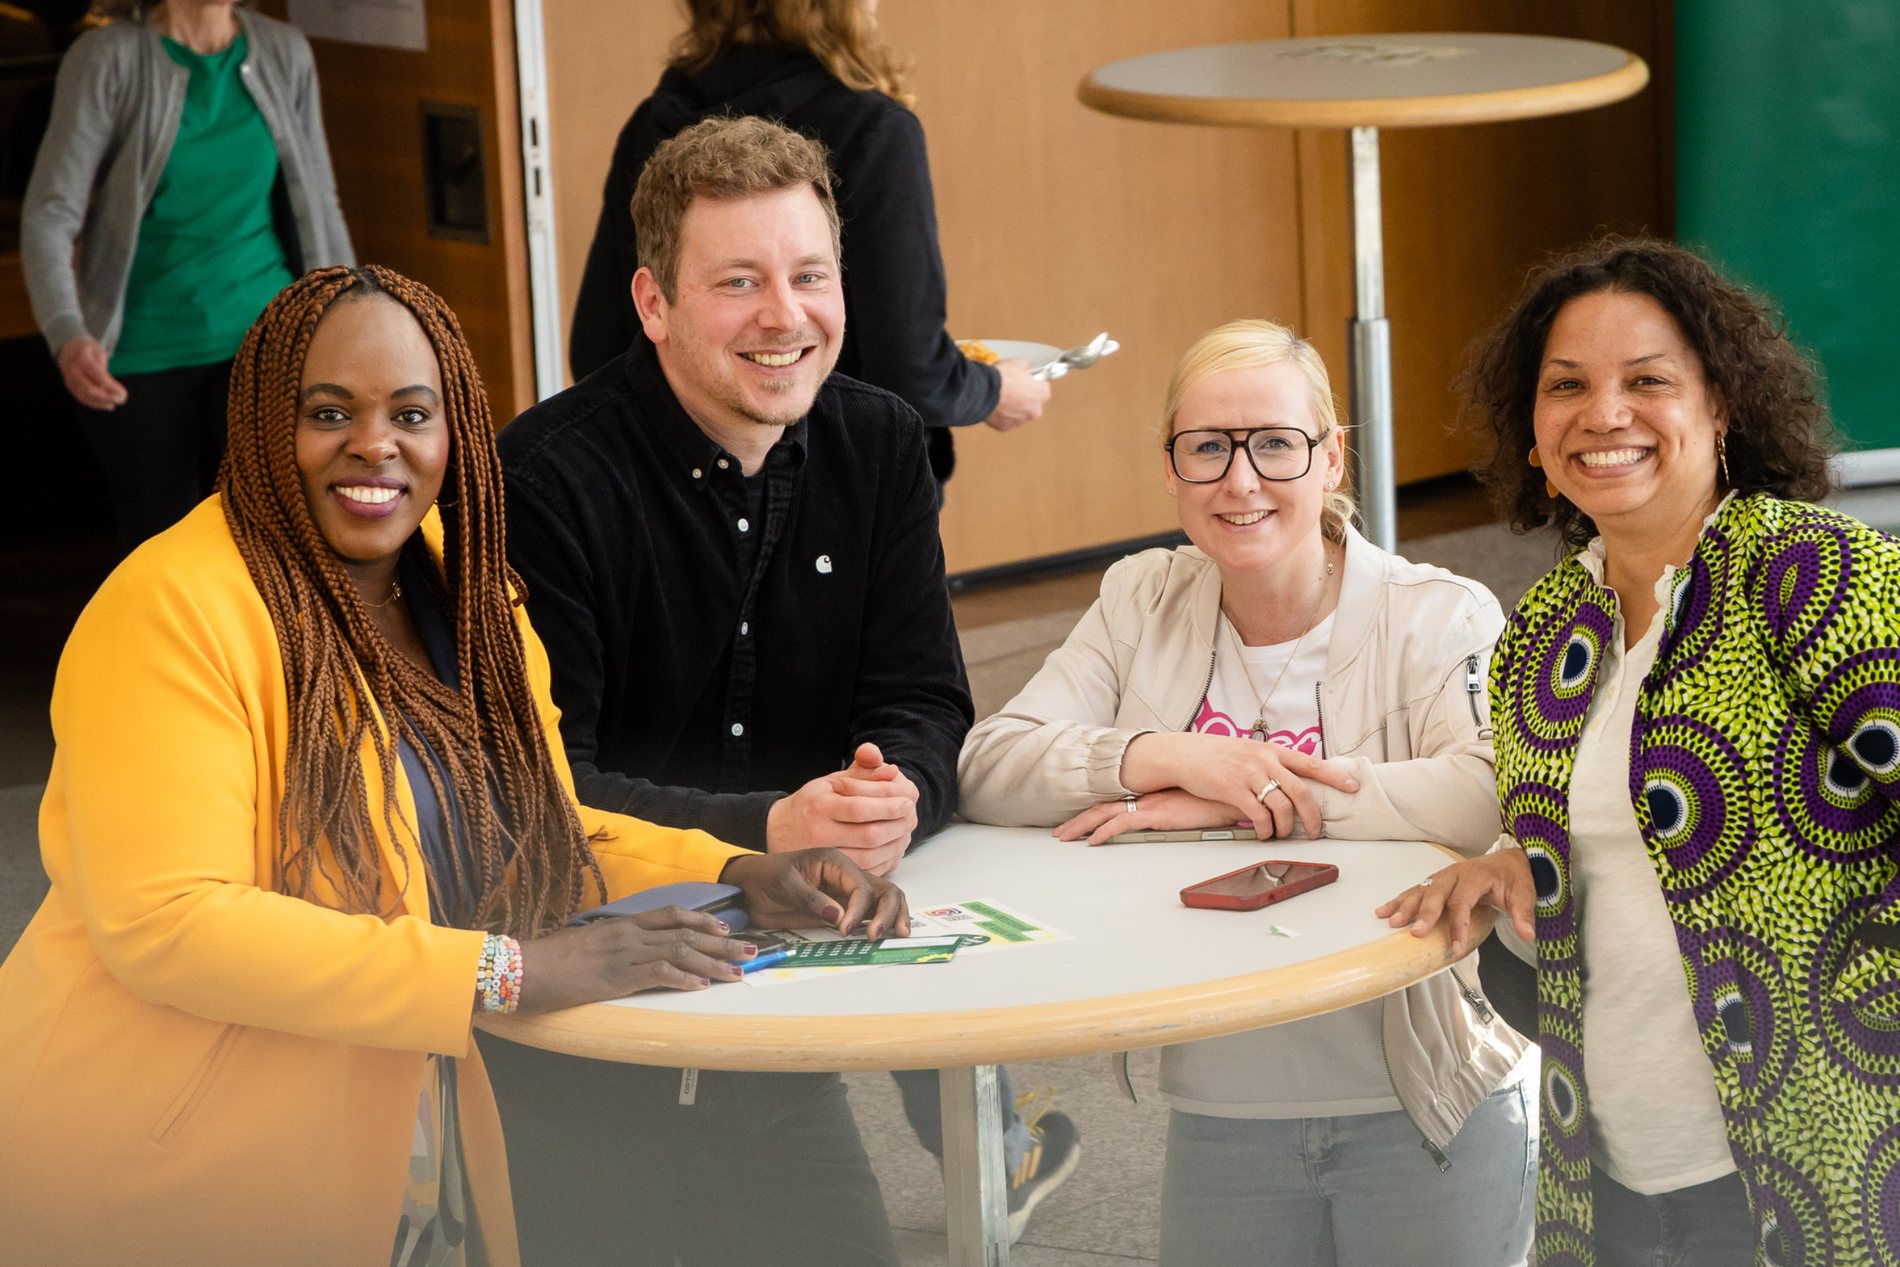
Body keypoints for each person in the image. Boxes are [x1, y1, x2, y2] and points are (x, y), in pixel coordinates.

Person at [0, 264, 905, 1266]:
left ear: (457, 431)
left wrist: (733, 870)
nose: (374, 444)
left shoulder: (467, 594)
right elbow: (168, 923)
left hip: (390, 1161)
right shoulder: (170, 607)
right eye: (327, 411)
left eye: (412, 411)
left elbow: (539, 833)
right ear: (261, 423)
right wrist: (504, 968)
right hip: (158, 1175)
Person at [488, 113, 1076, 1260]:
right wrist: (762, 831)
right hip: (589, 1026)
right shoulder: (542, 481)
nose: (785, 315)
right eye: (739, 282)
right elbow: (536, 789)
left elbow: (922, 694)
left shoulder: (883, 444)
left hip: (786, 1018)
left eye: (810, 276)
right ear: (653, 304)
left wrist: (894, 788)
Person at [958, 318, 1536, 1266]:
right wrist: (1168, 757)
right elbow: (990, 761)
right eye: (1208, 448)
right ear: (1171, 465)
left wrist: (1235, 797)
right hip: (1225, 1104)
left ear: (1331, 454)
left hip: (1429, 1099)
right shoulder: (1141, 598)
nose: (1241, 480)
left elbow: (1484, 796)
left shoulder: (1438, 611)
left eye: (1275, 443)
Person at [1379, 236, 1900, 1267]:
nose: (1603, 413)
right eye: (1566, 384)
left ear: (1721, 407)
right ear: (1532, 434)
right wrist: (1514, 864)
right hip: (1604, 1173)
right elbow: (1594, 869)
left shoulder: (1811, 571)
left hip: (1815, 1170)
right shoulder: (1544, 631)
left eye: (1647, 380)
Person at [566, 0, 1048, 487]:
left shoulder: (652, 123)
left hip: (671, 485)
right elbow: (910, 373)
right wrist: (993, 389)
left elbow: (596, 348)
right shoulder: (874, 131)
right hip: (842, 493)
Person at [22, 0, 353, 551]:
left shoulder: (283, 51)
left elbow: (322, 203)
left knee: (276, 540)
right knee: (164, 552)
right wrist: (68, 334)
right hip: (139, 356)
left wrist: (350, 322)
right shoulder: (107, 57)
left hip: (264, 339)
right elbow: (50, 214)